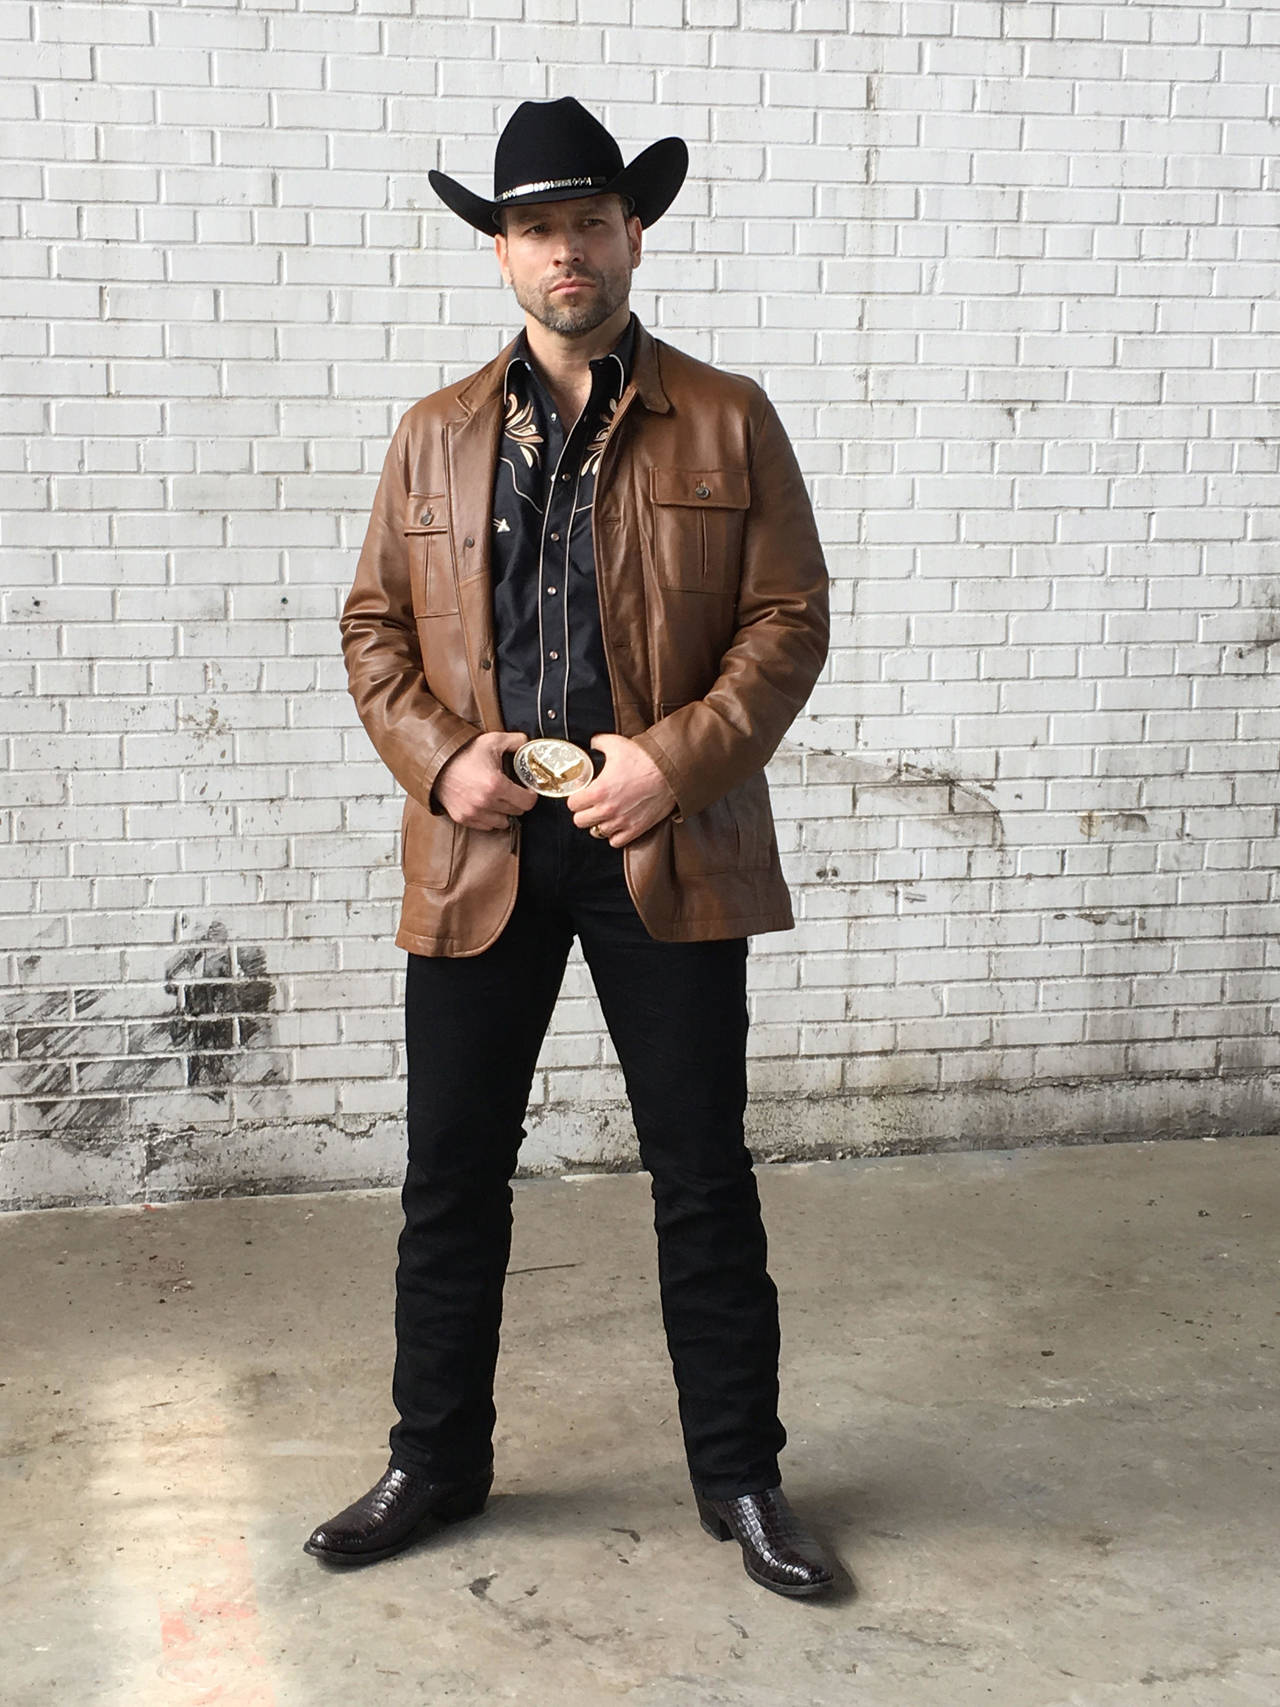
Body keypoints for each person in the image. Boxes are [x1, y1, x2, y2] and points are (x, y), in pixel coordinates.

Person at [306, 96, 835, 1598]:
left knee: (701, 1175)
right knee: (450, 1175)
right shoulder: (433, 433)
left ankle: (742, 1479)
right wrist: (443, 759)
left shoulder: (727, 415)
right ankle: (433, 1461)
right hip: (481, 851)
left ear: (633, 234)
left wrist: (670, 763)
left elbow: (786, 620)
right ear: (502, 251)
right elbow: (373, 630)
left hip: (662, 844)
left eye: (590, 223)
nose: (566, 253)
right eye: (535, 229)